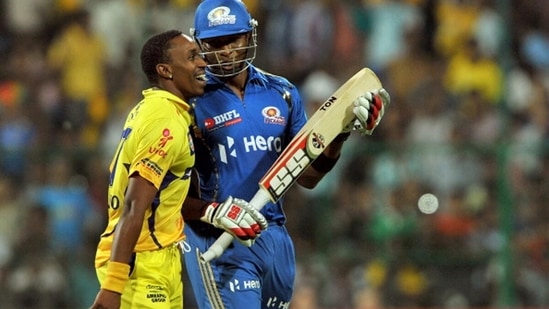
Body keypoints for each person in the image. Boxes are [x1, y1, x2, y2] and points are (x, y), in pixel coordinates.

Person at [180, 0, 390, 308]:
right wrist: (212, 213)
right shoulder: (188, 102)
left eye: (233, 39)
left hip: (274, 238)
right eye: (214, 42)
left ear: (249, 36)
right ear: (198, 43)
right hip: (219, 239)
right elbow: (165, 193)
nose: (225, 50)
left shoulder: (283, 93)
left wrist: (341, 131)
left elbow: (306, 176)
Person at [89, 29, 212, 309]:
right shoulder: (164, 120)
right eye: (192, 57)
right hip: (138, 261)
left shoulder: (167, 111)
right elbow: (135, 205)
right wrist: (112, 286)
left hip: (162, 255)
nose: (202, 63)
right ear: (165, 70)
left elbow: (166, 198)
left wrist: (212, 211)